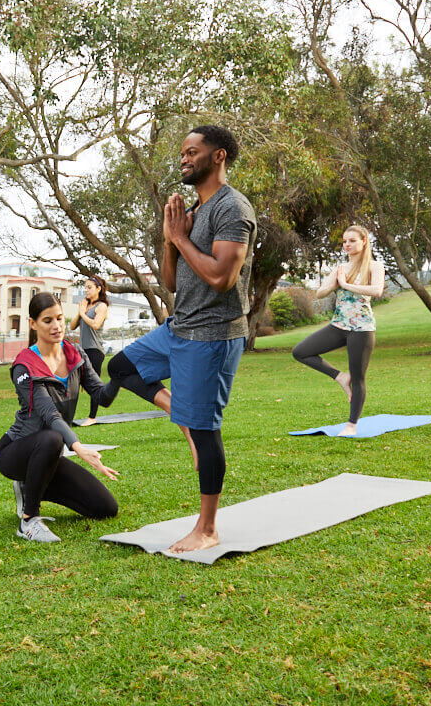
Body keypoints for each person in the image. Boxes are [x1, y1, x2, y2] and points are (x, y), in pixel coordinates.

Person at [105, 125, 256, 554]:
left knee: (207, 431)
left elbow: (221, 278)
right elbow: (171, 282)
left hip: (211, 336)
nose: (184, 159)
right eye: (183, 153)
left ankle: (207, 528)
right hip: (179, 327)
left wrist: (180, 237)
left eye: (193, 152)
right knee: (121, 368)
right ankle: (182, 416)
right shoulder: (194, 209)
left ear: (219, 156)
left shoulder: (232, 209)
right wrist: (170, 242)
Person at [0, 293, 120, 542]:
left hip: (49, 455)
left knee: (105, 508)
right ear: (33, 324)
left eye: (60, 318)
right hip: (16, 452)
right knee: (52, 437)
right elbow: (50, 415)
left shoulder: (75, 354)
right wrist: (78, 447)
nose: (56, 326)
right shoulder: (25, 365)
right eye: (47, 321)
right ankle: (28, 521)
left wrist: (121, 374)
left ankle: (29, 487)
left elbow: (102, 396)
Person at [293, 225, 384, 437]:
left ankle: (351, 425)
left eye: (352, 240)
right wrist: (334, 284)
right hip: (338, 326)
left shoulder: (374, 266)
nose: (347, 245)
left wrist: (346, 285)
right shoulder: (340, 268)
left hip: (361, 328)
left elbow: (377, 290)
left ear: (363, 241)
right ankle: (340, 377)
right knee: (300, 351)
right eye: (344, 241)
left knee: (359, 377)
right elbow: (320, 293)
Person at [70, 276, 109, 427]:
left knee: (94, 385)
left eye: (89, 287)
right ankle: (67, 417)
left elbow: (95, 324)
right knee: (73, 383)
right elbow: (73, 326)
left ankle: (92, 417)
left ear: (98, 289)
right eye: (85, 287)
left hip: (95, 350)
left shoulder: (102, 307)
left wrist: (83, 313)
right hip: (82, 350)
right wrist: (80, 312)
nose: (86, 290)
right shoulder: (84, 307)